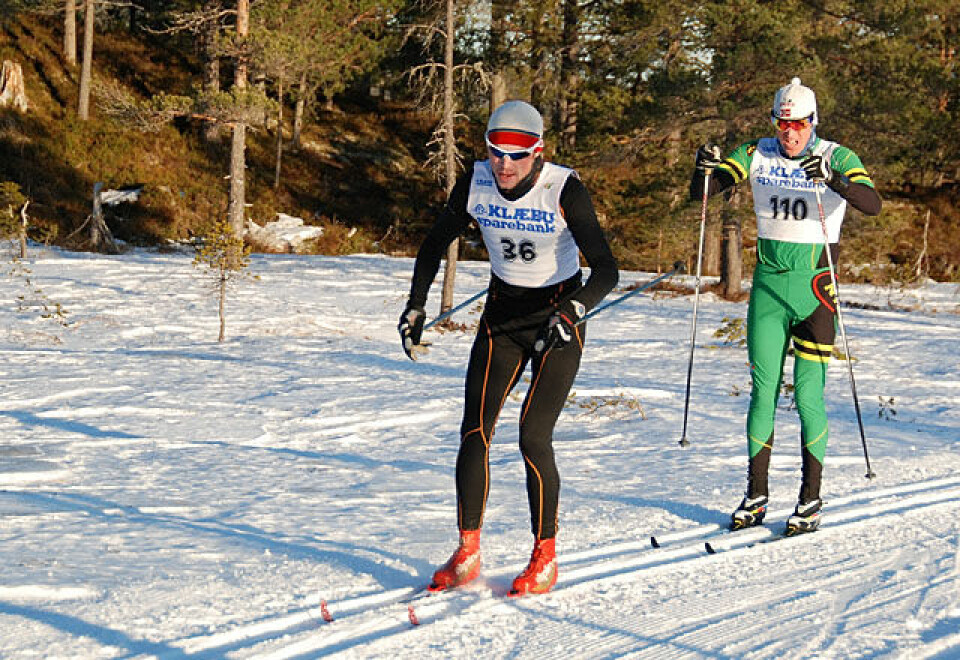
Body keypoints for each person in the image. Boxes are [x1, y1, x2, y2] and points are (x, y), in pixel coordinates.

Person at [398, 100, 618, 596]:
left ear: (538, 153)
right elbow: (435, 242)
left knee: (532, 437)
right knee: (474, 430)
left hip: (557, 317)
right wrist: (416, 305)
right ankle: (468, 548)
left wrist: (574, 310)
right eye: (496, 153)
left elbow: (607, 269)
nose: (504, 165)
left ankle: (544, 555)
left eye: (517, 156)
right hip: (502, 316)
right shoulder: (475, 181)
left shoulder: (563, 188)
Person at [690, 77, 882, 535]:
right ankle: (756, 495)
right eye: (782, 123)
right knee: (763, 392)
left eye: (797, 124)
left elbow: (872, 204)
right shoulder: (757, 152)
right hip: (770, 290)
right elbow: (705, 192)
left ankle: (810, 500)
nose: (789, 133)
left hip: (816, 291)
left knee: (809, 396)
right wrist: (703, 170)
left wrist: (832, 180)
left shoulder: (837, 156)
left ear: (812, 122)